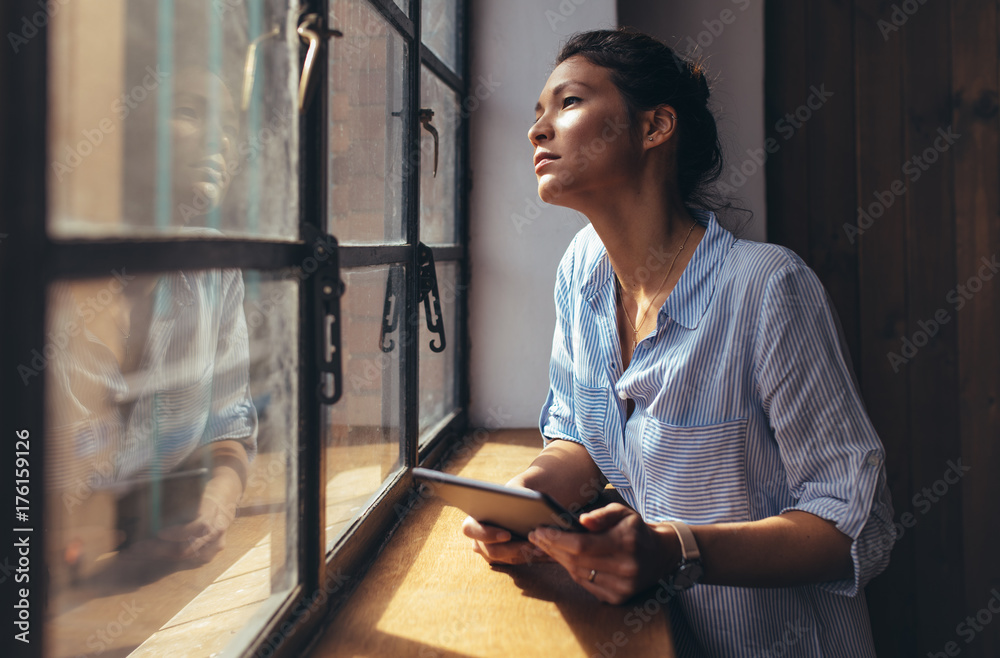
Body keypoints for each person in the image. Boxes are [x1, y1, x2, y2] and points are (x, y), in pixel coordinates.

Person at [462, 28, 894, 657]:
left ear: (655, 126)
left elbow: (854, 527)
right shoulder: (582, 272)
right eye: (537, 113)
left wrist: (675, 550)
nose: (538, 130)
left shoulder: (768, 289)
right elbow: (580, 438)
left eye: (569, 103)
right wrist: (527, 500)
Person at [46, 63, 256, 573]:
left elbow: (228, 427)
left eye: (229, 126)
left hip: (146, 580)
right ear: (123, 130)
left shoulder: (216, 269)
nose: (219, 140)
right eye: (188, 112)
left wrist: (215, 508)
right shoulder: (47, 266)